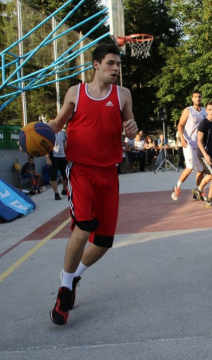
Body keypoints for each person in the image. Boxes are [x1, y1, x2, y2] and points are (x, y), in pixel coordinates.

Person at [47, 43, 137, 325]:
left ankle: (72, 278)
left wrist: (132, 129)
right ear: (95, 65)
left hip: (109, 173)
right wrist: (33, 134)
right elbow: (58, 124)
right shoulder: (76, 92)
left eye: (118, 65)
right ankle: (63, 292)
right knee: (84, 226)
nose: (115, 69)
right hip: (81, 170)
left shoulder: (123, 95)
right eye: (110, 63)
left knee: (105, 242)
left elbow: (130, 126)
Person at [171, 91, 206, 200]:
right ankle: (177, 186)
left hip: (199, 144)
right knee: (190, 167)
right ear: (192, 99)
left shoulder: (205, 111)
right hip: (189, 143)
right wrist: (182, 139)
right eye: (195, 97)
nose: (198, 99)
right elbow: (180, 125)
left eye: (199, 97)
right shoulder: (188, 110)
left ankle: (198, 191)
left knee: (201, 170)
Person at [191, 102, 212, 208]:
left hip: (210, 153)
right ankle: (209, 200)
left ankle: (198, 190)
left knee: (210, 175)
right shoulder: (203, 123)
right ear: (206, 111)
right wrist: (206, 155)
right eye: (209, 109)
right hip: (204, 154)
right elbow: (199, 141)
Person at [46, 129, 68, 200]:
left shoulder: (62, 132)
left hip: (62, 156)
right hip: (54, 156)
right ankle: (56, 193)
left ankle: (64, 190)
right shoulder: (50, 132)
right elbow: (46, 145)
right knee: (54, 176)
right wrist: (48, 158)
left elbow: (64, 143)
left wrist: (66, 155)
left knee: (65, 175)